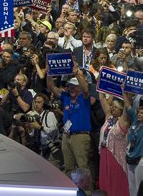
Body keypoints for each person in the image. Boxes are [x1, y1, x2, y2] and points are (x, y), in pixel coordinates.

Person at [47, 63, 92, 193]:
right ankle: (71, 193)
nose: (70, 88)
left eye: (73, 86)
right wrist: (49, 73)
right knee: (68, 168)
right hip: (67, 136)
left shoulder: (84, 98)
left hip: (80, 136)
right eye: (69, 86)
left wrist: (77, 73)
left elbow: (86, 89)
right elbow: (51, 87)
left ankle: (87, 193)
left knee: (82, 167)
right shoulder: (66, 98)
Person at [98, 92, 129, 196]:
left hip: (116, 158)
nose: (113, 108)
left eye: (116, 107)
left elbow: (127, 105)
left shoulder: (123, 121)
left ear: (121, 110)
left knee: (116, 182)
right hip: (104, 155)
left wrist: (125, 93)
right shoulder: (108, 118)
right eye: (112, 106)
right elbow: (102, 99)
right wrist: (101, 85)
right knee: (105, 181)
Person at [122, 90, 143, 196]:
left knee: (140, 187)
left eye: (142, 113)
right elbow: (127, 105)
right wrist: (123, 91)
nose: (140, 115)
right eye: (139, 112)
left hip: (141, 159)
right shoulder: (135, 120)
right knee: (131, 187)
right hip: (130, 157)